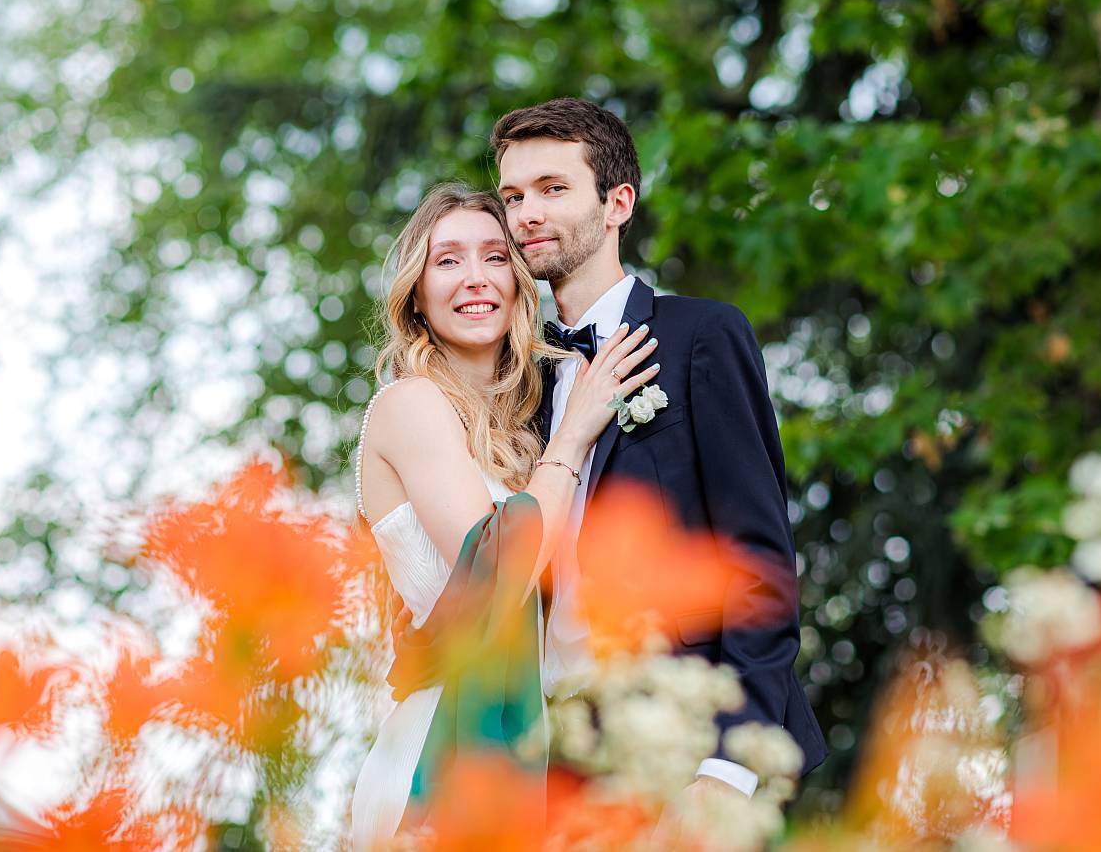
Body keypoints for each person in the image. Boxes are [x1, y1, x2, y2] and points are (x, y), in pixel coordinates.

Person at [490, 97, 828, 797]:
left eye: (553, 189)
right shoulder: (514, 384)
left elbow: (756, 557)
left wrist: (730, 762)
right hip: (551, 760)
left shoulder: (701, 337)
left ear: (618, 203)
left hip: (684, 746)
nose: (527, 214)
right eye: (513, 196)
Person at [348, 183, 660, 850]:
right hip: (442, 751)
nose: (475, 279)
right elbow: (498, 567)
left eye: (494, 257)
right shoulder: (411, 404)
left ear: (520, 283)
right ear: (417, 292)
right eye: (448, 261)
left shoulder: (521, 437)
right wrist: (575, 440)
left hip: (533, 752)